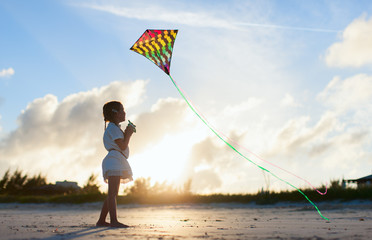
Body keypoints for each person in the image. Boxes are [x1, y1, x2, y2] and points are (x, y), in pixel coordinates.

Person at [96, 101, 135, 228]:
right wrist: (128, 134)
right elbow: (123, 146)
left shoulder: (114, 128)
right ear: (115, 113)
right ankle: (113, 221)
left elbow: (121, 145)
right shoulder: (112, 128)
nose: (124, 112)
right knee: (112, 193)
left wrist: (126, 133)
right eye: (122, 110)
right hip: (114, 161)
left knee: (113, 193)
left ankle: (101, 221)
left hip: (116, 160)